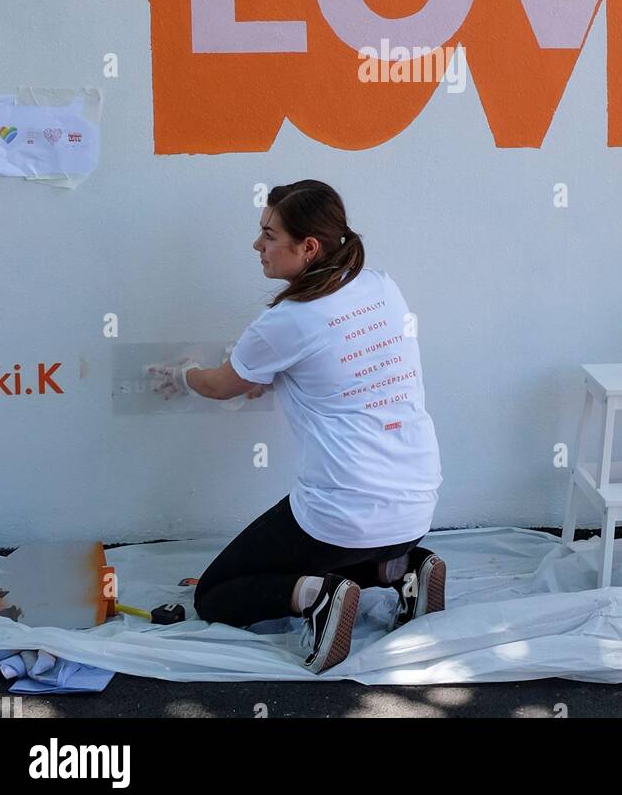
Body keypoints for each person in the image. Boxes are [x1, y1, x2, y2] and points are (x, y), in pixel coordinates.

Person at [150, 180, 445, 674]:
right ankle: (402, 568)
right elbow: (334, 367)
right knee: (334, 544)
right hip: (417, 503)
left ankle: (318, 596)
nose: (256, 246)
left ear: (308, 247)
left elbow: (223, 385)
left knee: (215, 593)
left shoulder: (288, 320)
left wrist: (183, 376)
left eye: (268, 235)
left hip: (342, 508)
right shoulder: (381, 285)